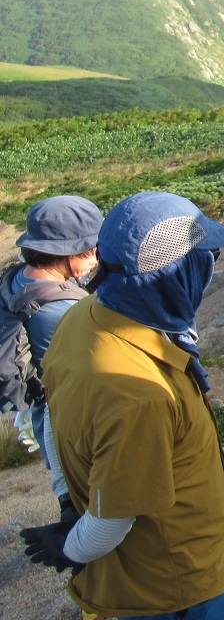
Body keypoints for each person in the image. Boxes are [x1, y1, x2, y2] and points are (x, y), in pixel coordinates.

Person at [20, 191, 224, 620]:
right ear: (177, 272)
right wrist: (72, 549)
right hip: (173, 586)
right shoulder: (138, 393)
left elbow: (53, 411)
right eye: (207, 256)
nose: (212, 264)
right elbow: (112, 520)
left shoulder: (82, 317)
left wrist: (67, 499)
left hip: (151, 573)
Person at [1, 196, 102, 502]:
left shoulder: (17, 278)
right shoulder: (62, 309)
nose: (96, 259)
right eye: (91, 252)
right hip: (70, 428)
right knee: (88, 503)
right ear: (67, 254)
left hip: (42, 413)